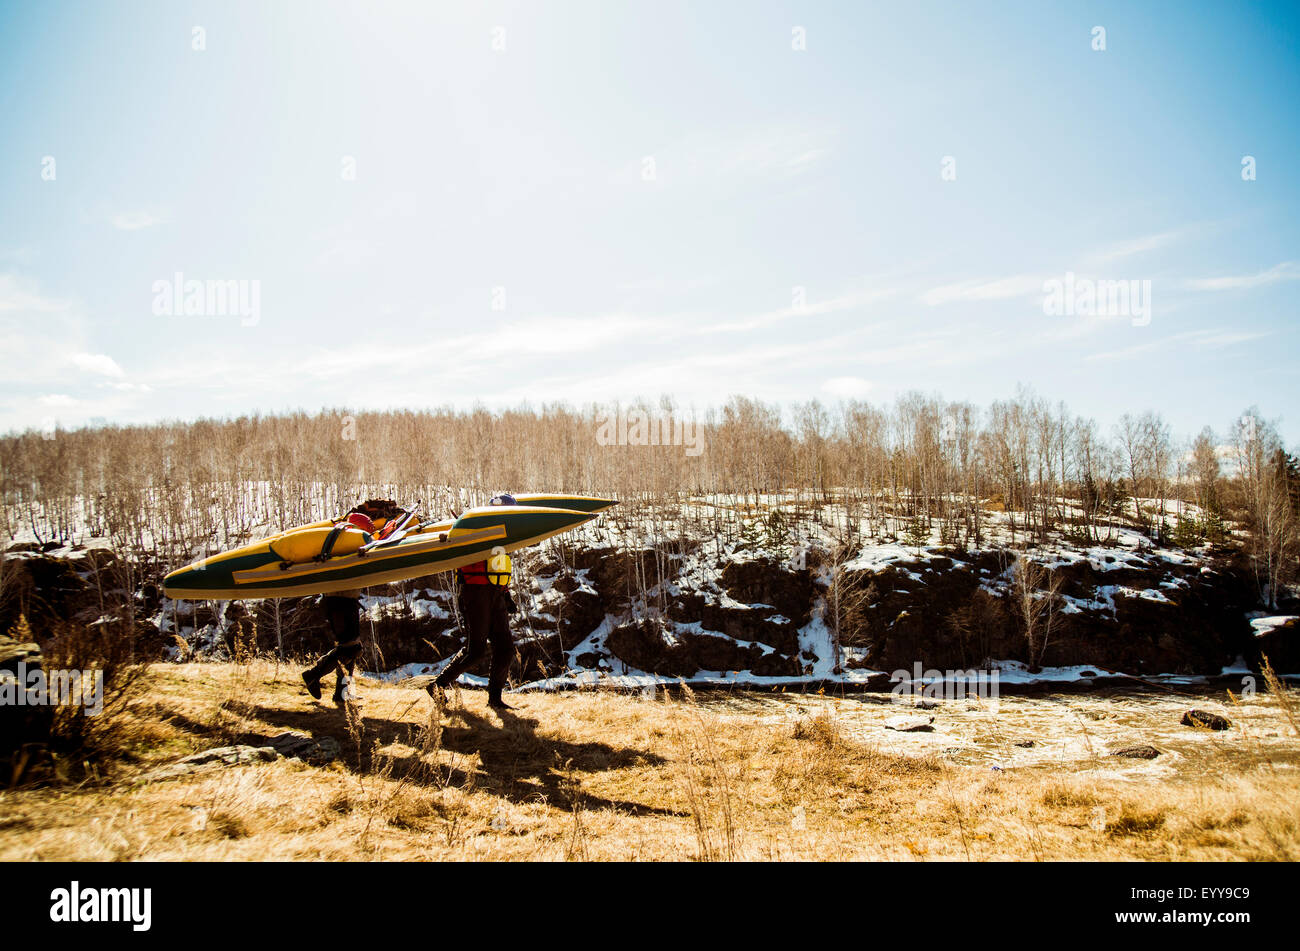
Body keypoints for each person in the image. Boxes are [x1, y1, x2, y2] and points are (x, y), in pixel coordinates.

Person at [300, 500, 406, 704]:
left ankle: (343, 693)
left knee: (352, 647)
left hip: (345, 600)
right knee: (350, 648)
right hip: (338, 601)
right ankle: (313, 674)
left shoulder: (344, 542)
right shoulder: (347, 544)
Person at [430, 495, 519, 710]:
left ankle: (495, 700)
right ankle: (437, 686)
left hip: (496, 593)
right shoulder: (473, 529)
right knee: (475, 651)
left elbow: (496, 567)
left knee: (506, 649)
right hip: (474, 594)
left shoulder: (504, 534)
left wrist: (506, 596)